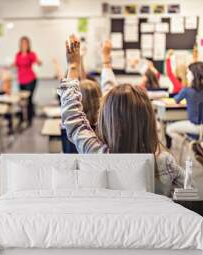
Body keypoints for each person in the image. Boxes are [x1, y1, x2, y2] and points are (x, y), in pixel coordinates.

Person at [58, 35, 185, 195]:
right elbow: (188, 195)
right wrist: (106, 60)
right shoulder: (163, 162)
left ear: (107, 119)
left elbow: (74, 121)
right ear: (148, 120)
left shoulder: (98, 155)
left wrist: (73, 66)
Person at [166, 49, 203, 169]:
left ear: (194, 75)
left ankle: (192, 146)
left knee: (169, 129)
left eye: (189, 72)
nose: (188, 74)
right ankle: (196, 146)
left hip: (196, 127)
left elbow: (176, 100)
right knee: (186, 128)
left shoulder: (187, 90)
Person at [14, 36, 42, 127]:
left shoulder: (31, 54)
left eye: (25, 43)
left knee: (29, 100)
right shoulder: (18, 55)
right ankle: (22, 119)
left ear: (28, 44)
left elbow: (37, 62)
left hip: (31, 80)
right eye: (22, 43)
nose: (24, 45)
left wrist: (39, 62)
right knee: (21, 101)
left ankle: (29, 120)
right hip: (21, 80)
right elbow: (16, 65)